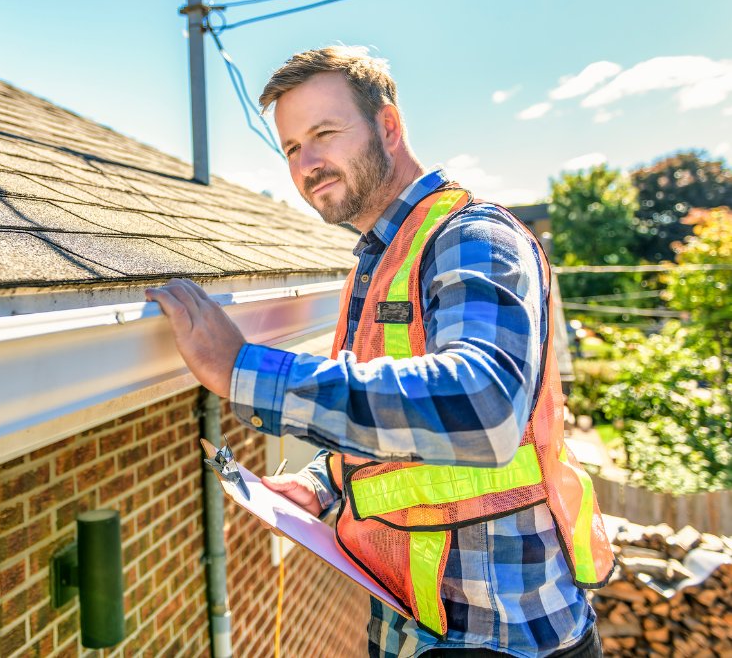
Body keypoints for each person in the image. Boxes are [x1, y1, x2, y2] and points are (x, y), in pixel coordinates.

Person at [145, 46, 613, 657]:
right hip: (414, 628)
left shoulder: (469, 237)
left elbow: (485, 407)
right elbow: (404, 429)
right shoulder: (379, 261)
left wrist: (242, 371)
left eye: (323, 133)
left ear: (388, 126)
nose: (307, 162)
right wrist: (324, 482)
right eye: (290, 147)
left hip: (504, 637)